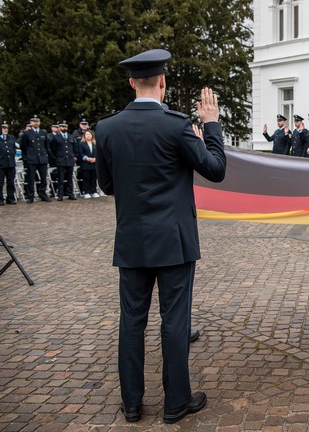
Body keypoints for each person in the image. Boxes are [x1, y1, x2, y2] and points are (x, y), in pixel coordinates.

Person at [96, 49, 226, 423]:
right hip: (174, 239)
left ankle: (133, 403)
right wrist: (211, 127)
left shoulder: (107, 128)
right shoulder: (176, 125)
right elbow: (215, 169)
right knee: (175, 321)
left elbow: (107, 185)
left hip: (132, 240)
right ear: (163, 82)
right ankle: (176, 402)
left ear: (132, 82)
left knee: (132, 321)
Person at [20, 115, 52, 203]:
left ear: (40, 122)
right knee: (31, 178)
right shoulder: (27, 133)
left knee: (43, 178)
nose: (36, 123)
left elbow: (46, 145)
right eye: (34, 121)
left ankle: (43, 194)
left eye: (37, 121)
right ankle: (31, 196)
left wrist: (46, 155)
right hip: (32, 158)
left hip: (42, 158)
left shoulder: (44, 132)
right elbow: (24, 146)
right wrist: (28, 155)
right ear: (31, 122)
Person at [50, 122, 77, 201]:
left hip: (70, 159)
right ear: (59, 128)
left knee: (70, 178)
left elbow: (74, 148)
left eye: (65, 126)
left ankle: (70, 193)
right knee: (60, 178)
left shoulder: (71, 137)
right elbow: (53, 148)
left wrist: (74, 155)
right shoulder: (56, 137)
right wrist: (56, 157)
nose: (64, 128)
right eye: (62, 126)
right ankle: (60, 194)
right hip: (60, 159)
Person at [77, 130, 99, 198]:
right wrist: (86, 158)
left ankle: (94, 191)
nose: (88, 136)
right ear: (84, 136)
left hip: (94, 163)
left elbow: (98, 152)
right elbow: (80, 153)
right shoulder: (81, 143)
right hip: (85, 163)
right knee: (86, 178)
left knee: (93, 178)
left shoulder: (95, 143)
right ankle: (86, 192)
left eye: (90, 134)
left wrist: (95, 158)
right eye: (87, 134)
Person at [0, 122, 17, 205]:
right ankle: (0, 199)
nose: (5, 130)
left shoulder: (11, 137)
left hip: (10, 163)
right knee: (0, 182)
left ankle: (10, 198)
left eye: (6, 128)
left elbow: (13, 148)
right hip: (1, 164)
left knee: (11, 182)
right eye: (3, 128)